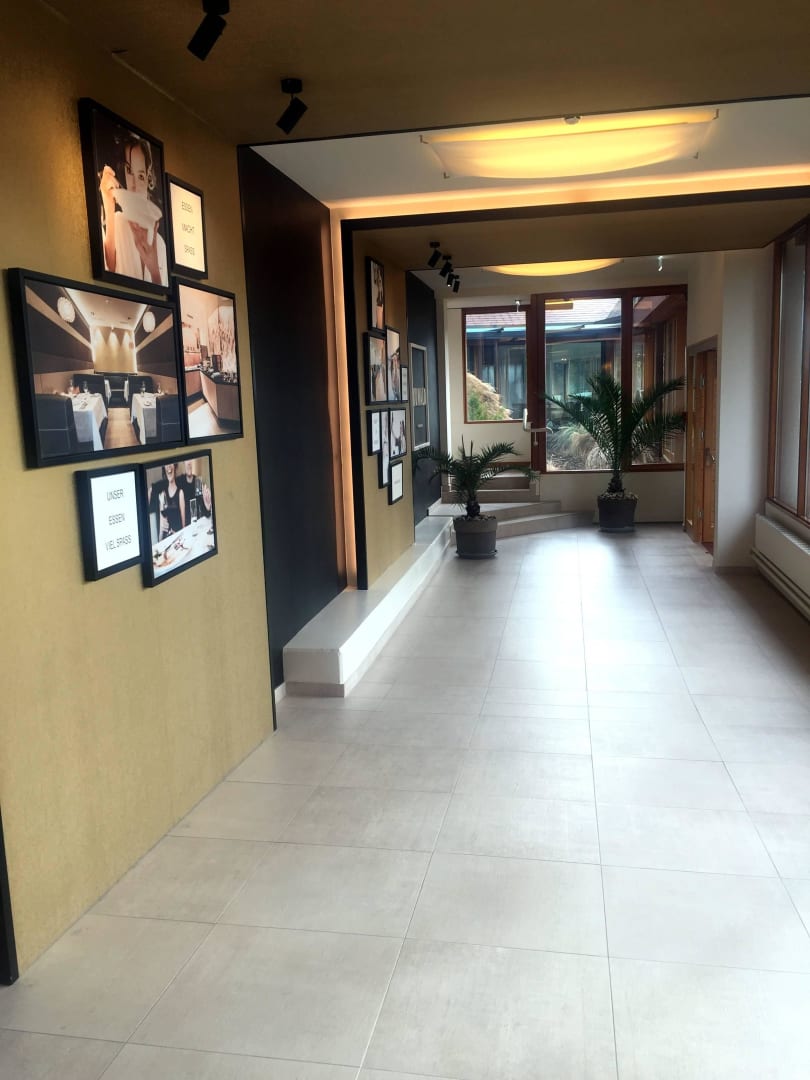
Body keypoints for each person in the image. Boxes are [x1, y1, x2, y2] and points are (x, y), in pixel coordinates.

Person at [99, 133, 168, 285]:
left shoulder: (160, 245)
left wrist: (154, 270)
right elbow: (109, 269)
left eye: (141, 176)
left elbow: (161, 297)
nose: (134, 185)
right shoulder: (117, 222)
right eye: (129, 171)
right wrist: (109, 206)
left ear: (148, 179)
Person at [148, 462, 185, 540]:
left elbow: (184, 528)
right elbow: (160, 538)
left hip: (178, 540)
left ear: (175, 466)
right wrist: (161, 530)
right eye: (166, 464)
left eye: (171, 463)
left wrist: (176, 535)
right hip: (167, 541)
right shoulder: (162, 495)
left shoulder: (180, 493)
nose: (168, 466)